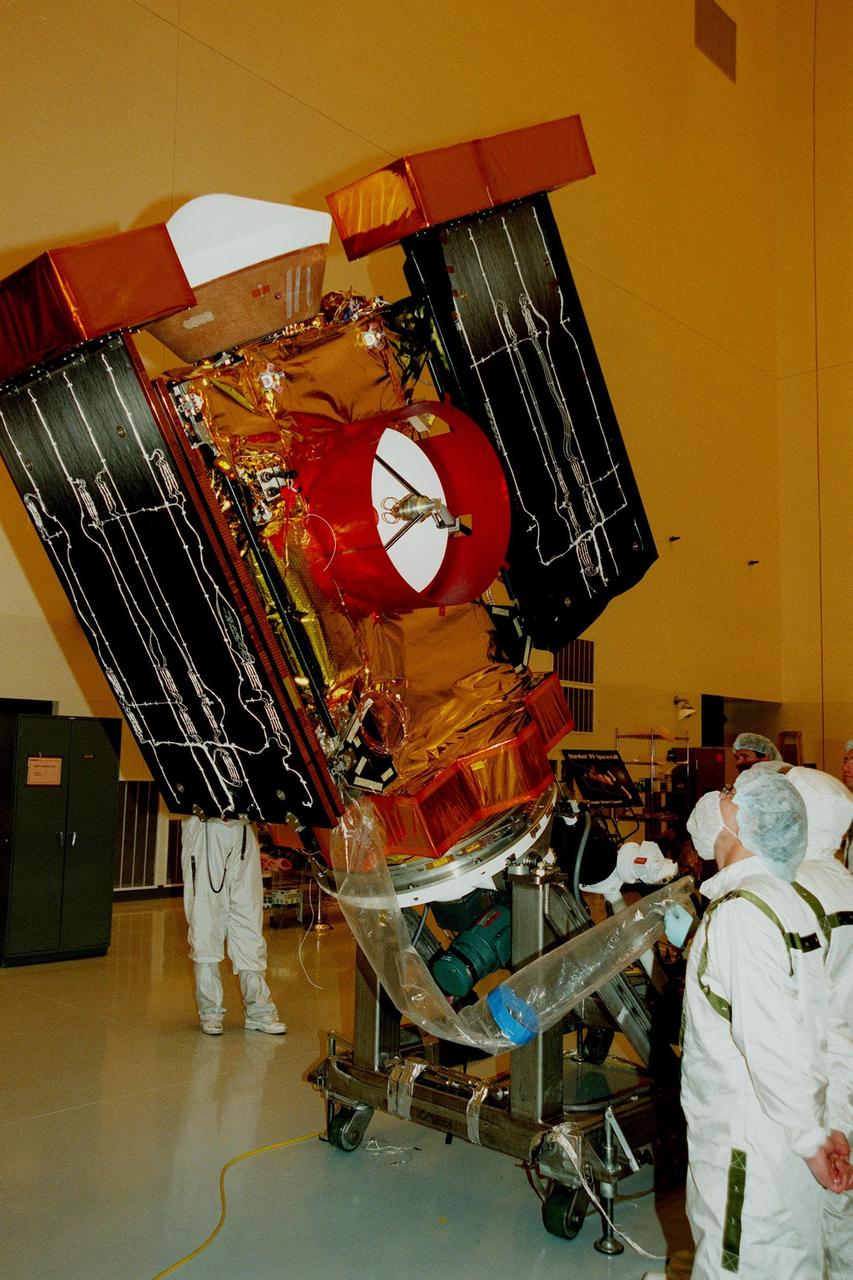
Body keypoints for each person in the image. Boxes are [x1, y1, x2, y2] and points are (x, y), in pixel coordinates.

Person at [675, 769, 852, 1280]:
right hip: (793, 1132)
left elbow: (774, 1046)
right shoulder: (787, 901)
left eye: (731, 795)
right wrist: (828, 1127)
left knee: (743, 1262)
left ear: (745, 825)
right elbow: (830, 1030)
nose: (720, 797)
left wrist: (810, 1140)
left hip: (749, 1144)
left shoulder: (741, 914)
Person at [788, 767, 853, 1279]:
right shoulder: (842, 879)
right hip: (845, 1056)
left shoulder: (792, 891)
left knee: (825, 1192)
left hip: (820, 1066)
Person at [182, 814, 286, 1036]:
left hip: (243, 830)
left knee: (249, 919)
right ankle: (210, 1010)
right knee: (205, 919)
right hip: (205, 829)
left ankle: (258, 1009)